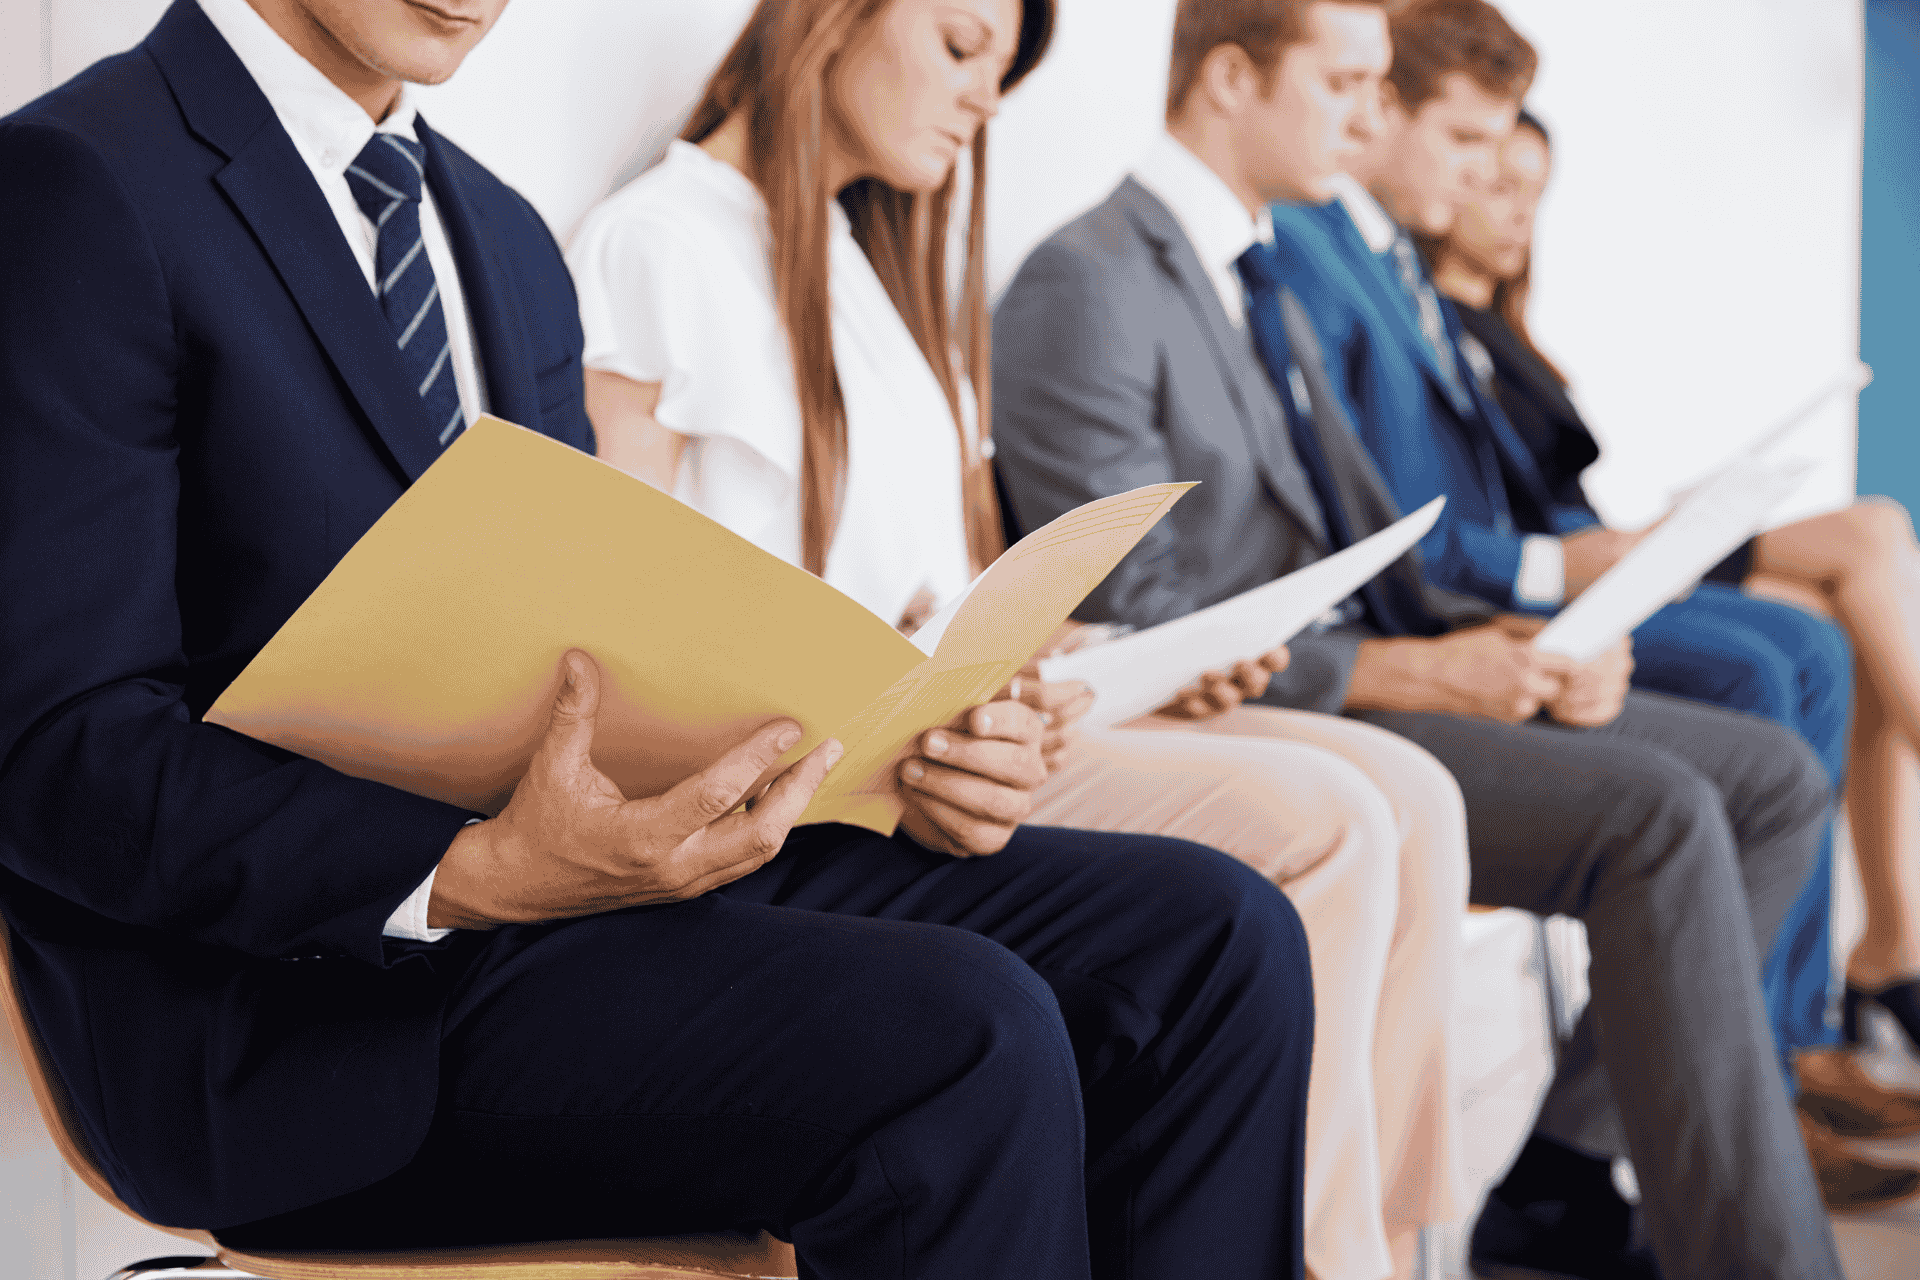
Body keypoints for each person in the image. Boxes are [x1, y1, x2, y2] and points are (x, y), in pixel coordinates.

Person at [0, 2, 1320, 1277]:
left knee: (1213, 941)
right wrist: (465, 871)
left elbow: (585, 660)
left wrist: (904, 756)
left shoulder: (500, 236)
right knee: (966, 1034)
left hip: (584, 897)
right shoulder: (81, 183)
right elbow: (59, 753)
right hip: (297, 1015)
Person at [567, 1, 1466, 1275]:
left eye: (1004, 66)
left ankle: (1358, 1244)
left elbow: (937, 592)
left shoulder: (860, 263)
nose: (987, 95)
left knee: (1387, 804)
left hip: (932, 745)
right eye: (961, 45)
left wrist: (1079, 657)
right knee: (1328, 823)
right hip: (821, 785)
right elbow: (610, 635)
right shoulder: (657, 244)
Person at [992, 0, 1848, 1275]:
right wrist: (1419, 665)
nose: (1367, 114)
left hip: (1338, 673)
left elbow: (1369, 540)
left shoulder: (1253, 272)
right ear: (1231, 78)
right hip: (1259, 707)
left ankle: (1563, 1173)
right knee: (1659, 812)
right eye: (1342, 83)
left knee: (1768, 775)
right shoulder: (1093, 275)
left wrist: (1513, 636)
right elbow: (1140, 622)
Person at [1263, 0, 1919, 1213]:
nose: (1487, 185)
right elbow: (1399, 534)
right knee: (1778, 669)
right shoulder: (1317, 259)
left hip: (1515, 579)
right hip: (1453, 612)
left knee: (1807, 645)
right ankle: (1755, 1067)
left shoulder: (1396, 267)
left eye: (1508, 165)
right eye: (1471, 148)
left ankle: (1774, 1048)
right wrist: (1557, 575)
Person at [1435, 104, 1920, 1149]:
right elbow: (1489, 534)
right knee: (1838, 587)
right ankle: (1805, 1027)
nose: (1515, 207)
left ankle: (1845, 992)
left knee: (1839, 609)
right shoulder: (1420, 326)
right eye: (1490, 173)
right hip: (1557, 582)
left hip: (1593, 550)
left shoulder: (1504, 336)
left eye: (1531, 187)